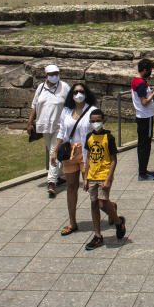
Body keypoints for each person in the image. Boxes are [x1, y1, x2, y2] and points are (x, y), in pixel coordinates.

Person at [53, 82, 95, 236]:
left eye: (81, 91)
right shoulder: (66, 111)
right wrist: (55, 150)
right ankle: (72, 222)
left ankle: (108, 209)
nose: (79, 94)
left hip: (86, 153)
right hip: (69, 152)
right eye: (76, 92)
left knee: (91, 188)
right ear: (72, 94)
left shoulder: (92, 110)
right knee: (71, 187)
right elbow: (62, 132)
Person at [82, 107, 126, 249]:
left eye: (98, 121)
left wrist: (108, 179)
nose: (96, 123)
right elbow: (88, 158)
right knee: (94, 204)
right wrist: (85, 178)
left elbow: (113, 160)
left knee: (102, 203)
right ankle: (97, 235)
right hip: (92, 175)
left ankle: (118, 222)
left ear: (104, 121)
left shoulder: (109, 138)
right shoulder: (89, 137)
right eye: (93, 121)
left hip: (104, 174)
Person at [27, 64, 70, 198]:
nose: (54, 76)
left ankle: (51, 181)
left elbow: (71, 105)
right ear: (46, 75)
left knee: (54, 152)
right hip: (44, 126)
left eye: (56, 73)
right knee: (51, 151)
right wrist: (29, 122)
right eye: (51, 74)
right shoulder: (41, 88)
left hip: (59, 126)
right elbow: (34, 105)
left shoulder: (64, 87)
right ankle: (59, 176)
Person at [131, 58, 154, 181]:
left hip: (142, 116)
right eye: (150, 70)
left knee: (143, 144)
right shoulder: (140, 84)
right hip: (145, 117)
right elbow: (144, 102)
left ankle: (143, 170)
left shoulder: (137, 80)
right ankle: (142, 173)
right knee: (145, 146)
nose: (151, 72)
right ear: (145, 70)